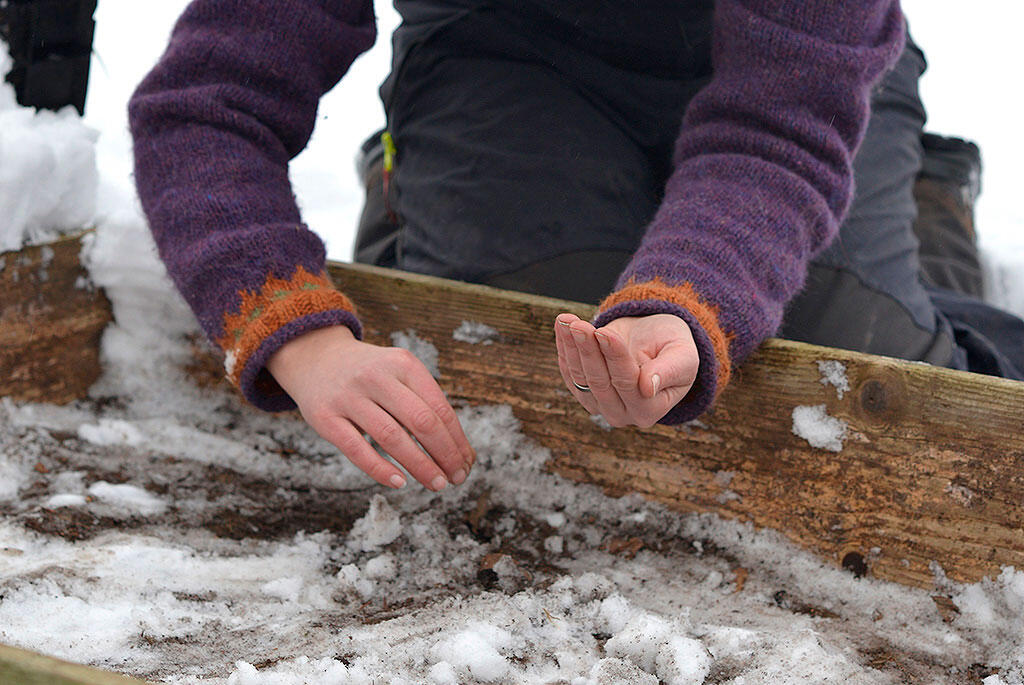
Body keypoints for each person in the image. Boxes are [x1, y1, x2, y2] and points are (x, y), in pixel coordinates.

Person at [129, 0, 1024, 492]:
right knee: (537, 329)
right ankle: (409, 186)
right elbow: (205, 106)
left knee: (845, 341)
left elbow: (775, 130)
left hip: (783, 82)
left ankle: (927, 198)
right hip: (504, 53)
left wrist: (690, 297)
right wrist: (299, 335)